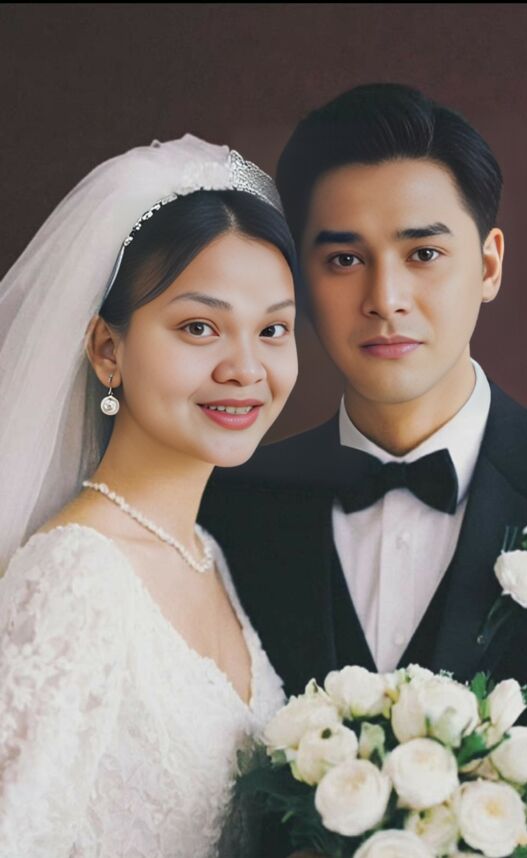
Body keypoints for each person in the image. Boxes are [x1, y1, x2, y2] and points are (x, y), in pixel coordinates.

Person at [200, 84, 527, 850]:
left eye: (424, 254)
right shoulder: (226, 508)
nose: (385, 297)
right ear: (299, 282)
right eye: (344, 259)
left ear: (490, 264)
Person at [0, 135, 299, 857]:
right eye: (199, 327)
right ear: (108, 350)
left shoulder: (205, 553)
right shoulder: (76, 575)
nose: (246, 367)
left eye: (272, 329)